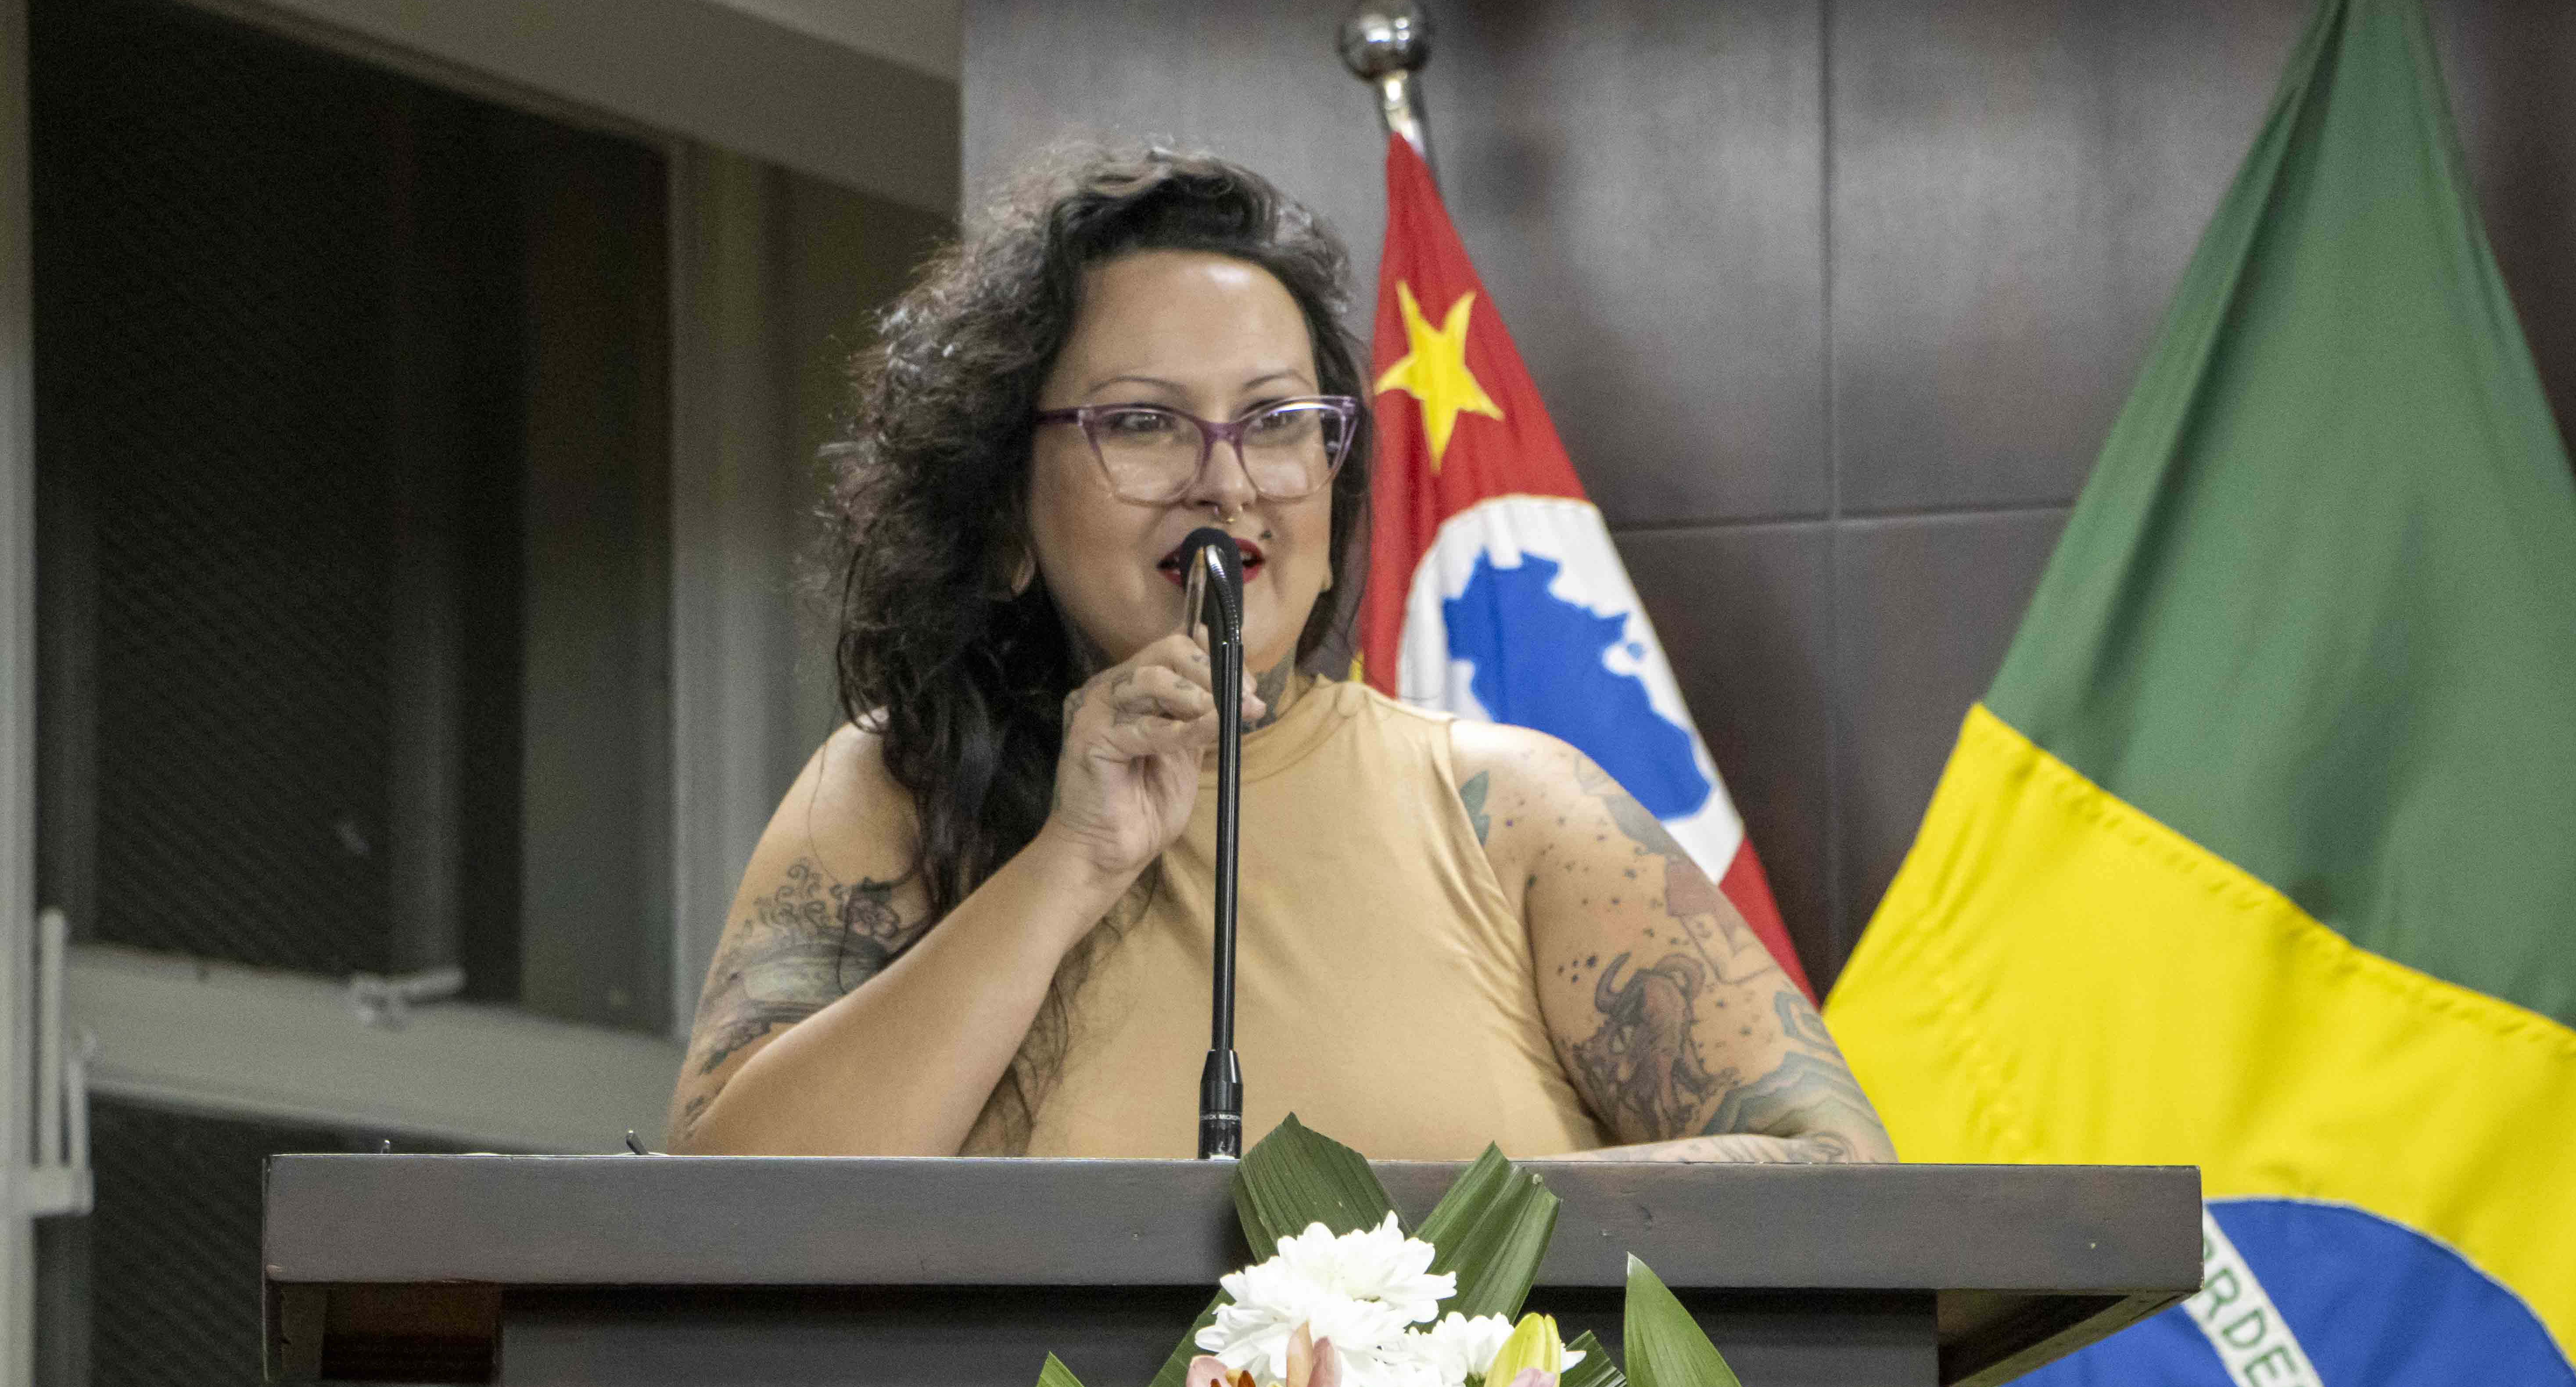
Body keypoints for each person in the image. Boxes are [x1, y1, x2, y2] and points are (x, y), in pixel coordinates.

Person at [666, 145, 1893, 1165]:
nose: (1226, 481)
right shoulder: (897, 787)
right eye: (1143, 422)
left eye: (1276, 424)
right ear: (1003, 521)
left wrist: (1410, 1267)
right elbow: (724, 1217)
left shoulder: (1515, 810)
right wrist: (1068, 866)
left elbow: (1837, 1173)